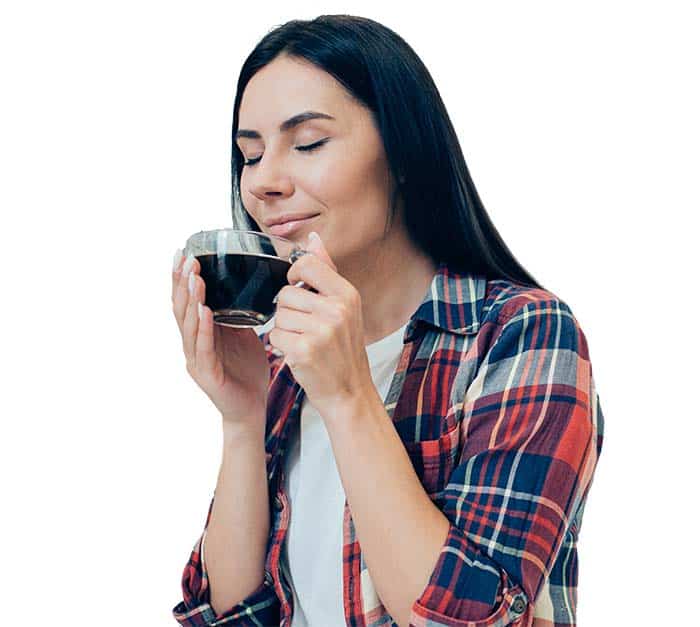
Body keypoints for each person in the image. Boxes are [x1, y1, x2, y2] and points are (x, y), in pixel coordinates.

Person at [170, 14, 604, 627]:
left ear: (402, 152)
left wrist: (349, 397)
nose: (263, 181)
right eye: (250, 154)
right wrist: (243, 420)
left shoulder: (521, 336)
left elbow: (468, 620)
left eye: (309, 143)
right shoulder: (284, 359)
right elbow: (233, 616)